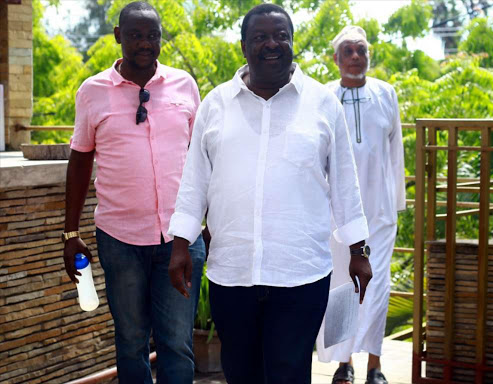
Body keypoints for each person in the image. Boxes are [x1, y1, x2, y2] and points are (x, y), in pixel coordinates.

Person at [167, 4, 372, 383]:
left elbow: (346, 182)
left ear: (292, 43)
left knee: (288, 373)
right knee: (241, 373)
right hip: (233, 273)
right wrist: (181, 243)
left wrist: (358, 251)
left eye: (281, 36)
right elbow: (194, 181)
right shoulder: (215, 104)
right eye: (260, 37)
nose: (272, 44)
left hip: (301, 273)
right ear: (244, 46)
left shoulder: (322, 103)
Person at [61, 2, 205, 383]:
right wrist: (70, 234)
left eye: (153, 35)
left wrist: (209, 221)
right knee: (130, 341)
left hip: (180, 238)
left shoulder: (184, 85)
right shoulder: (92, 92)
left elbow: (204, 158)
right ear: (118, 37)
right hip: (119, 239)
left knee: (177, 343)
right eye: (137, 35)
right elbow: (79, 163)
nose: (146, 43)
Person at [315, 26, 406, 384]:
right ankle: (343, 363)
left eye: (362, 50)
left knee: (378, 290)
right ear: (336, 59)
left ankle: (375, 365)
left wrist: (396, 203)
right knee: (341, 289)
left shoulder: (386, 94)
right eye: (348, 51)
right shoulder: (323, 97)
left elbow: (395, 152)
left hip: (379, 216)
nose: (356, 57)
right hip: (338, 217)